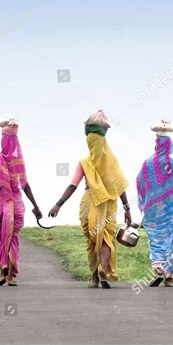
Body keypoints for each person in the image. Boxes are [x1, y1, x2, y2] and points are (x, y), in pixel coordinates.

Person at [49, 109, 131, 289]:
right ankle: (101, 269)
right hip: (109, 203)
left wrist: (58, 204)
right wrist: (127, 208)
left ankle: (96, 275)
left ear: (89, 140)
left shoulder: (84, 162)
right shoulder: (112, 161)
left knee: (93, 238)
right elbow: (119, 186)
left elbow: (73, 185)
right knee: (105, 236)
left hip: (88, 201)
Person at [0, 117, 42, 286]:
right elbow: (25, 185)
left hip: (1, 199)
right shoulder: (17, 161)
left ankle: (3, 271)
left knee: (0, 235)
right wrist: (36, 207)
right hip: (15, 200)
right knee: (10, 235)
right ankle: (9, 276)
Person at [136, 118, 173, 287]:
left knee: (156, 240)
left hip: (152, 211)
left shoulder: (147, 165)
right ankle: (169, 277)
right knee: (170, 240)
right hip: (171, 211)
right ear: (170, 145)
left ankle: (159, 266)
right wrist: (172, 186)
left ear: (156, 144)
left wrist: (149, 197)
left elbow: (140, 183)